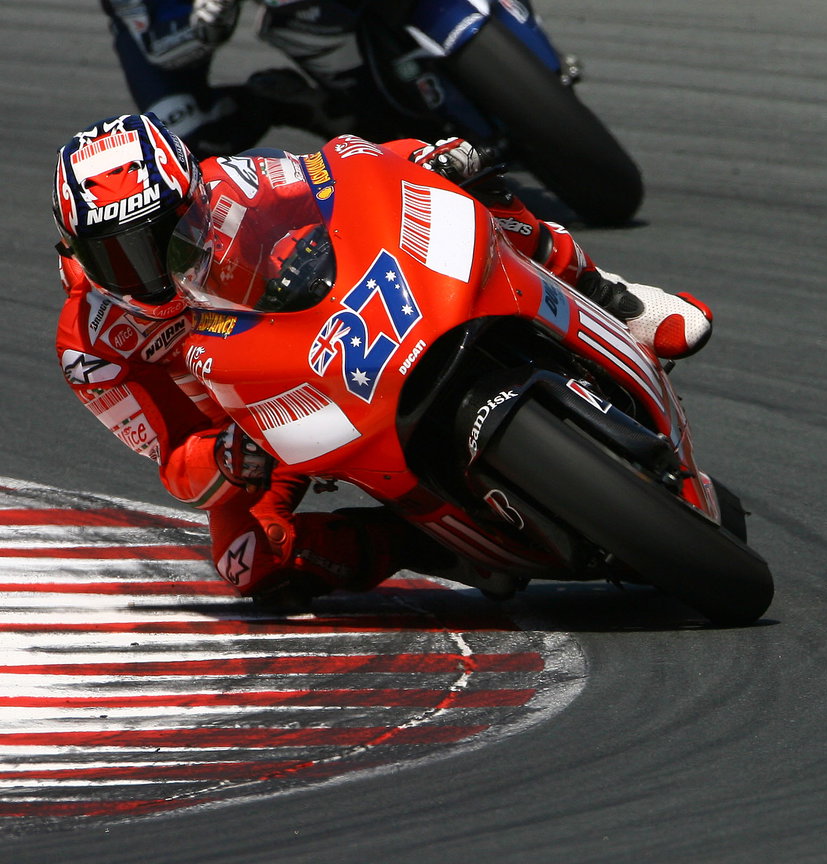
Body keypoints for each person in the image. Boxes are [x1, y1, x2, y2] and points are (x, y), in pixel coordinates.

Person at [52, 113, 710, 605]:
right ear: (78, 250)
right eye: (122, 257)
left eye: (167, 238)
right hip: (260, 420)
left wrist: (420, 156)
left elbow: (337, 174)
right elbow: (175, 464)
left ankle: (615, 300)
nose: (150, 273)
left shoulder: (232, 187)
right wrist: (226, 460)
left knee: (461, 179)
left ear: (194, 193)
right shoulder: (92, 347)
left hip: (335, 321)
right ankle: (424, 542)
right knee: (247, 563)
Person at [99, 0, 403, 159]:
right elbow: (159, 49)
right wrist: (211, 20)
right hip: (171, 23)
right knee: (181, 140)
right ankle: (311, 109)